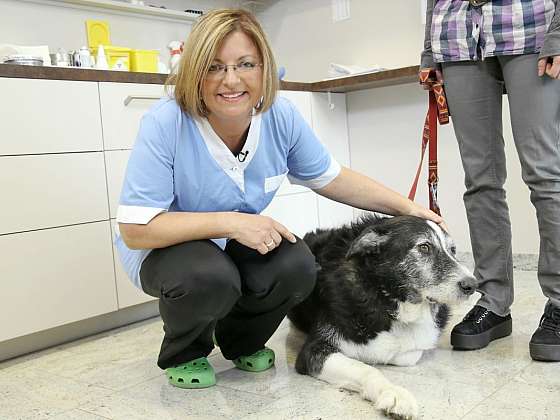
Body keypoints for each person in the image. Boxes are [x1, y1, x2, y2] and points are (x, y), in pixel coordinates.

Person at [115, 8, 444, 390]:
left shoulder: (278, 116)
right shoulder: (166, 122)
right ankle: (185, 352)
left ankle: (243, 342)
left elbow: (332, 177)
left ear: (264, 69)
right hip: (167, 248)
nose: (231, 80)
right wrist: (232, 222)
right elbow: (136, 229)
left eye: (245, 64)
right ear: (194, 72)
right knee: (207, 275)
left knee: (297, 264)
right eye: (214, 67)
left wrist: (408, 208)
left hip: (232, 243)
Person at [421, 0, 560, 361]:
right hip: (456, 37)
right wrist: (428, 50)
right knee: (480, 180)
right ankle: (494, 302)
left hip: (529, 24)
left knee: (545, 175)